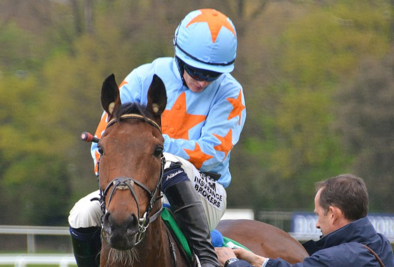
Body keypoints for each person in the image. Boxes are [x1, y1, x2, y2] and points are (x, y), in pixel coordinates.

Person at [68, 8, 246, 267]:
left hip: (205, 191)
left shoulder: (231, 94)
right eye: (196, 70)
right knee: (81, 214)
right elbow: (103, 142)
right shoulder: (142, 77)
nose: (203, 81)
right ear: (179, 55)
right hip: (140, 187)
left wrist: (148, 145)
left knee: (168, 160)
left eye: (212, 74)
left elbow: (211, 154)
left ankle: (207, 261)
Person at [216, 174, 394, 267]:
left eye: (318, 214)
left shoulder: (336, 259)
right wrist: (257, 260)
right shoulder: (381, 244)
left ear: (333, 213)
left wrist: (232, 263)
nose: (317, 223)